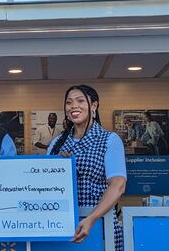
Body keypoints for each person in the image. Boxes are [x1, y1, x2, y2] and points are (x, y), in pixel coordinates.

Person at [47, 85, 126, 250]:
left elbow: (118, 185)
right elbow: (44, 185)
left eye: (80, 101)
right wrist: (56, 166)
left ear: (94, 106)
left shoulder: (109, 140)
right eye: (69, 102)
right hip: (62, 224)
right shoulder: (57, 143)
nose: (73, 106)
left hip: (99, 223)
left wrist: (92, 218)